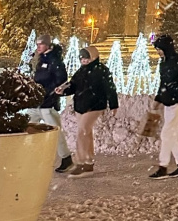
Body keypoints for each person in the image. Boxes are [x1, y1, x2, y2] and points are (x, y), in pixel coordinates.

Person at [55, 46, 118, 178]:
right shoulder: (81, 71)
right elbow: (73, 86)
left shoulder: (101, 70)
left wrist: (113, 104)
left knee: (82, 131)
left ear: (93, 57)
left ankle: (80, 162)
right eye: (81, 57)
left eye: (86, 57)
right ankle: (88, 163)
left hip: (95, 106)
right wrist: (63, 91)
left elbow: (110, 87)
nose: (83, 60)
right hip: (80, 107)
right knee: (86, 133)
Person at [149, 35, 178, 180]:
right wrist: (158, 98)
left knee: (166, 132)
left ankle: (163, 167)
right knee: (172, 132)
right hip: (168, 101)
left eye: (160, 49)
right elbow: (163, 83)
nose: (158, 52)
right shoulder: (164, 63)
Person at [27, 34, 73, 172]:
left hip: (47, 103)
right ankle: (24, 153)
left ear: (48, 45)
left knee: (55, 131)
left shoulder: (55, 61)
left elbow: (61, 80)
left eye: (41, 44)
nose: (38, 47)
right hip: (37, 102)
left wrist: (50, 94)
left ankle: (66, 157)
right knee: (26, 126)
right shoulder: (41, 60)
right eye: (37, 44)